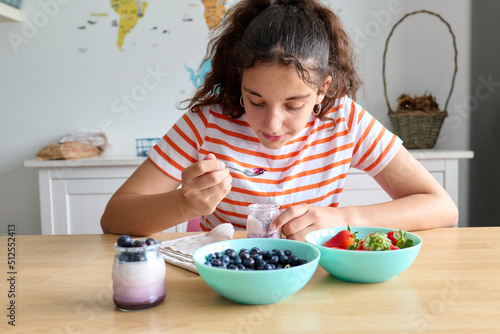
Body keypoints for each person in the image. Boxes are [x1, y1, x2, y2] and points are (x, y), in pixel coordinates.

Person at [101, 0, 458, 240]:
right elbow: (114, 217)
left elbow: (442, 207)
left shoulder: (344, 119)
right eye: (255, 100)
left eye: (293, 104)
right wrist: (182, 203)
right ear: (239, 79)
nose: (271, 125)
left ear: (322, 90)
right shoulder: (207, 123)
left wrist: (344, 219)